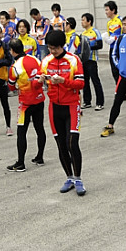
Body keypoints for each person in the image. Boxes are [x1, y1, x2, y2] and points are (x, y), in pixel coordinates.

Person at [40, 30, 86, 195]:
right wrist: (40, 80)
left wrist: (64, 81)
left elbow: (81, 84)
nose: (52, 51)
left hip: (72, 105)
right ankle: (69, 177)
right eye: (50, 48)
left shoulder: (73, 60)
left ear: (63, 46)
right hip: (54, 106)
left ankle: (79, 178)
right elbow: (41, 79)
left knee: (72, 143)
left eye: (55, 48)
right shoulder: (45, 61)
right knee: (60, 145)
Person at [6, 39, 47, 171]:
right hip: (39, 99)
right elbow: (41, 74)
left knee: (21, 133)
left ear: (12, 51)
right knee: (39, 128)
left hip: (25, 104)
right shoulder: (35, 59)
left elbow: (11, 87)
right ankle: (40, 157)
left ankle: (20, 163)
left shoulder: (15, 67)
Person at [79, 13, 104, 110]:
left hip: (92, 60)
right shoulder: (83, 34)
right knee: (85, 82)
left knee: (95, 81)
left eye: (83, 20)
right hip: (84, 60)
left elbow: (100, 45)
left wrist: (88, 47)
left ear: (89, 21)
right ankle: (87, 101)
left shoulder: (95, 32)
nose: (82, 22)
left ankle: (100, 103)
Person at [104, 0, 122, 86]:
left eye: (107, 10)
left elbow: (124, 34)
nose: (106, 12)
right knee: (114, 70)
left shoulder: (120, 20)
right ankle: (119, 90)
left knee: (121, 69)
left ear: (113, 10)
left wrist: (115, 38)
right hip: (112, 48)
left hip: (120, 48)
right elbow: (109, 34)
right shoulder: (109, 23)